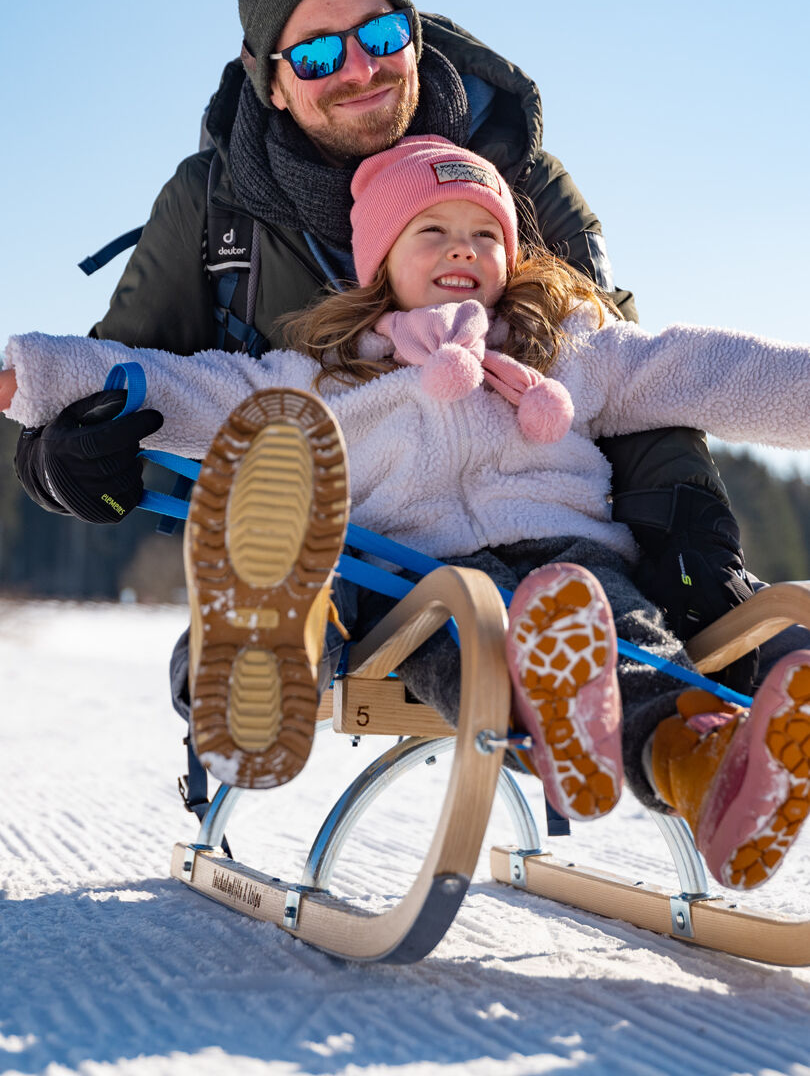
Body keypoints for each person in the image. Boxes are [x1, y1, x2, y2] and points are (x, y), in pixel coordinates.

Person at [4, 135, 810, 894]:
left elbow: (713, 369)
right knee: (384, 601)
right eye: (433, 229)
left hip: (573, 571)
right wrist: (34, 376)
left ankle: (705, 774)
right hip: (408, 580)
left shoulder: (566, 349)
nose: (463, 248)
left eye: (483, 234)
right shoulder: (324, 373)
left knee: (628, 646)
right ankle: (260, 663)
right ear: (380, 259)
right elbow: (185, 385)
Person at [11, 0, 766, 668]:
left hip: (537, 534)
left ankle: (693, 749)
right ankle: (266, 654)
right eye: (314, 54)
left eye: (379, 33)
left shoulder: (515, 176)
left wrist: (688, 523)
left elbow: (622, 366)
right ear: (269, 79)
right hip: (334, 543)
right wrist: (60, 464)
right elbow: (109, 375)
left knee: (720, 654)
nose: (359, 67)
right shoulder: (213, 210)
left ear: (411, 32)